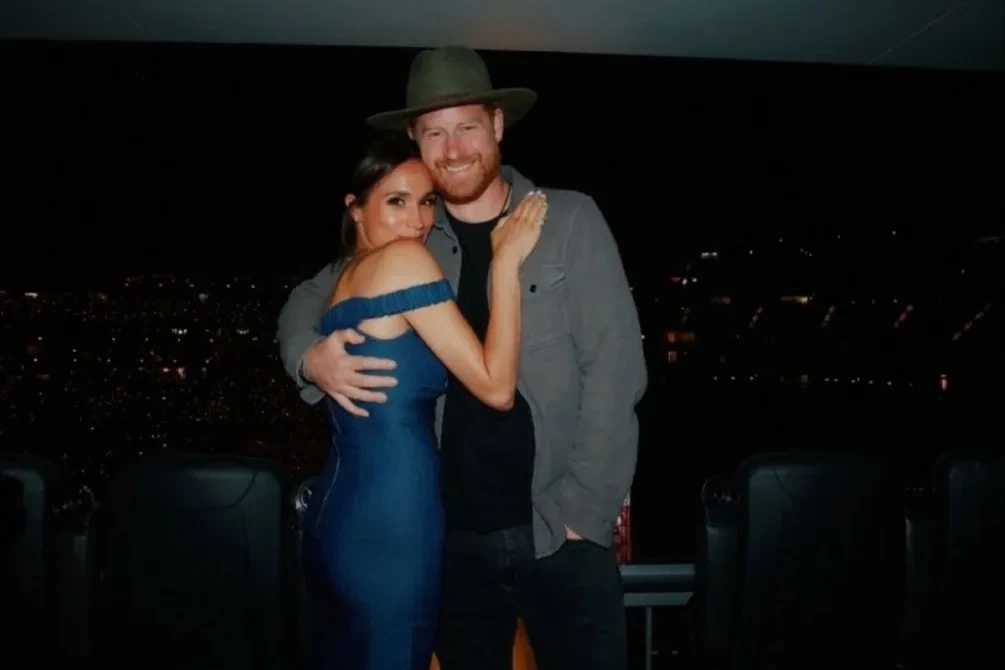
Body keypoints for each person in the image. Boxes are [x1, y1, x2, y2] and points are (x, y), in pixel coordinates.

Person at [278, 46, 647, 670]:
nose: (452, 150)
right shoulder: (415, 231)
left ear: (497, 126)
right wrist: (308, 359)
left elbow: (616, 374)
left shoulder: (568, 219)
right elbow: (310, 295)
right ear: (415, 142)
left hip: (556, 527)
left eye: (467, 127)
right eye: (434, 133)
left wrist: (582, 516)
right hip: (450, 536)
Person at [299, 133, 547, 670]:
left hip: (341, 509)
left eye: (427, 201)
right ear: (355, 208)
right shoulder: (405, 260)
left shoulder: (347, 278)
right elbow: (496, 388)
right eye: (397, 201)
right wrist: (505, 264)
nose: (418, 220)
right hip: (393, 517)